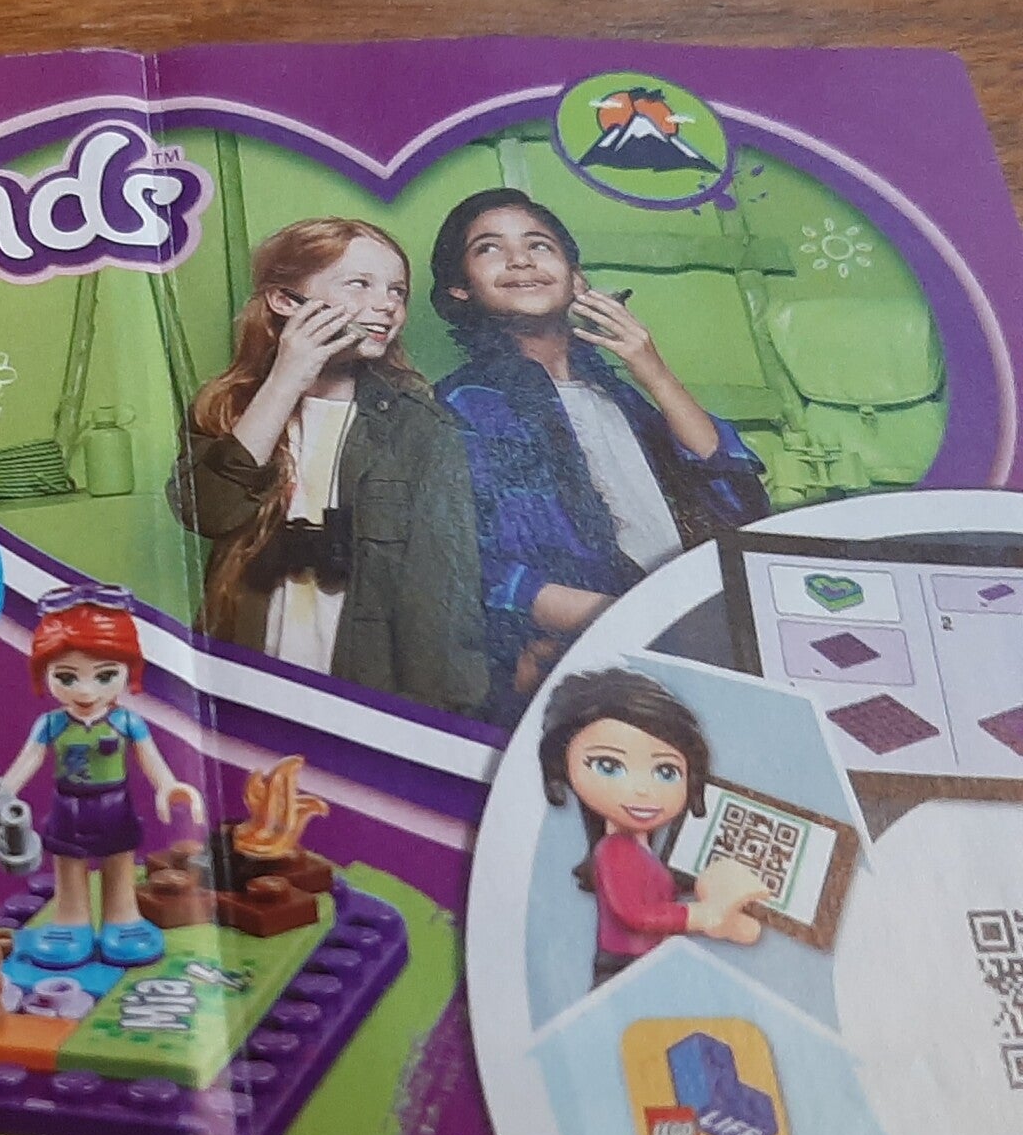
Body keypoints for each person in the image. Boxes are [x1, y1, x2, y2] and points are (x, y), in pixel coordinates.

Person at [432, 189, 769, 722]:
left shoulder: (621, 397)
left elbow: (738, 498)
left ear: (577, 280)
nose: (520, 260)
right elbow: (458, 563)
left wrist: (652, 370)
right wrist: (621, 618)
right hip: (577, 665)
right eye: (489, 249)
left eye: (539, 245)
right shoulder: (457, 406)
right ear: (460, 288)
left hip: (689, 638)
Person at [169, 216, 488, 716]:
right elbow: (207, 512)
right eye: (359, 284)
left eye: (397, 291)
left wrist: (438, 719)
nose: (386, 304)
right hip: (250, 671)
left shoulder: (421, 427)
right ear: (285, 300)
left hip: (365, 680)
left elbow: (440, 594)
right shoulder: (227, 408)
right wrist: (286, 380)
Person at [0, 585, 205, 971]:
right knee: (68, 865)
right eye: (67, 677)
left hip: (114, 803)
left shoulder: (126, 721)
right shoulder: (51, 724)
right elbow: (28, 761)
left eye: (104, 675)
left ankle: (122, 919)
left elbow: (149, 757)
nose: (85, 690)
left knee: (119, 863)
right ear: (45, 673)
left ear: (128, 670)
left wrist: (167, 784)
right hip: (68, 804)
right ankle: (71, 922)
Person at [538, 669, 766, 988]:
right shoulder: (614, 850)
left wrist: (704, 894)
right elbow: (635, 914)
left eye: (666, 771)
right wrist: (699, 916)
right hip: (624, 969)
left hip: (650, 965)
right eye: (609, 766)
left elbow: (657, 895)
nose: (643, 790)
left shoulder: (641, 850)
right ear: (564, 768)